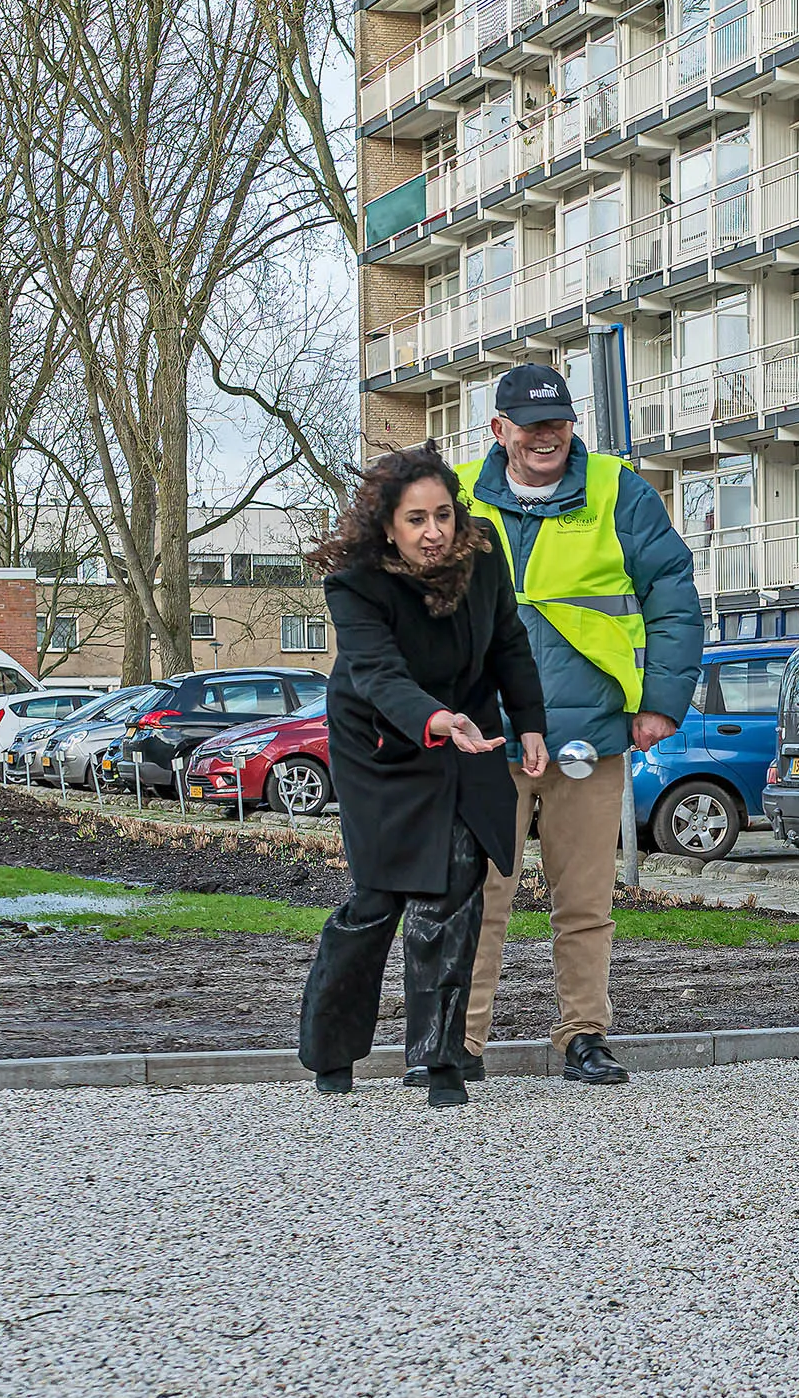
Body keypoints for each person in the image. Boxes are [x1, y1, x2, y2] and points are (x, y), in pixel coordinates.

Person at [454, 364, 703, 1087]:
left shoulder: (617, 491)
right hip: (485, 737)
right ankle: (458, 1042)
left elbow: (673, 598)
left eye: (558, 423)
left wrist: (661, 702)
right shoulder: (457, 495)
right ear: (499, 429)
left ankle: (584, 1035)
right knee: (474, 900)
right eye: (532, 425)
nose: (547, 437)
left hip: (587, 737)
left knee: (586, 902)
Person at [299, 446, 550, 1106]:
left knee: (458, 881)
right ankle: (332, 1050)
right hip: (382, 744)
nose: (434, 531)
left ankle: (440, 1059)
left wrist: (529, 722)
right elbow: (377, 674)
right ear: (388, 526)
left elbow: (508, 640)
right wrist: (434, 719)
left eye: (443, 514)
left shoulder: (482, 551)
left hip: (467, 732)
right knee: (377, 899)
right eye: (416, 519)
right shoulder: (354, 582)